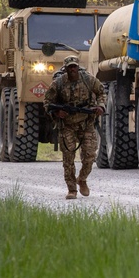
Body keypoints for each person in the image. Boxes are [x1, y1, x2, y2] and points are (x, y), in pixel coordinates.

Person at [42, 55, 105, 199]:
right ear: (65, 69)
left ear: (78, 67)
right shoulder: (58, 83)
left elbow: (101, 91)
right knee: (68, 159)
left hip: (86, 122)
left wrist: (100, 106)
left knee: (90, 155)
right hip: (67, 125)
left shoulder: (88, 80)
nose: (72, 70)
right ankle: (72, 189)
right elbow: (47, 102)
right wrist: (57, 112)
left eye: (74, 67)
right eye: (69, 67)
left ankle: (82, 179)